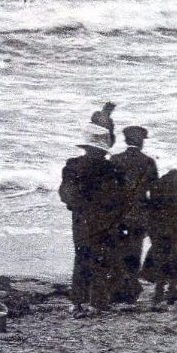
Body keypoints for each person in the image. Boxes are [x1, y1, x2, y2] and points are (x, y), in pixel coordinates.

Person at [59, 131, 125, 318]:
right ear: (103, 150)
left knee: (81, 257)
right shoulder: (112, 168)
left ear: (86, 147)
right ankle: (97, 302)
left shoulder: (72, 166)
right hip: (104, 220)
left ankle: (77, 302)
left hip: (81, 219)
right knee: (101, 259)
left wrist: (76, 206)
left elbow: (65, 194)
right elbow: (119, 197)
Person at [110, 125, 158, 306]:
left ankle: (117, 289)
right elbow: (154, 191)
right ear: (141, 141)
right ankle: (130, 290)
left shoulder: (115, 159)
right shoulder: (149, 162)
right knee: (134, 252)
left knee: (117, 251)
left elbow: (108, 189)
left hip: (117, 214)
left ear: (126, 140)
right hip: (139, 215)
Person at [141, 167, 177, 309]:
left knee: (159, 257)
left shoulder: (157, 186)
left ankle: (159, 290)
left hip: (159, 228)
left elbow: (150, 207)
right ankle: (172, 288)